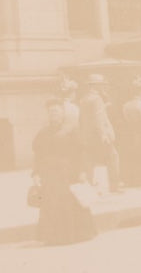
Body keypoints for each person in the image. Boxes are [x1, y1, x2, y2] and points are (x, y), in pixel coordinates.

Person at [31, 98, 97, 246]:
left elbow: (81, 152)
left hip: (69, 173)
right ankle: (53, 237)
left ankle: (76, 235)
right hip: (49, 175)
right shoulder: (44, 132)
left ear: (62, 112)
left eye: (56, 110)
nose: (53, 113)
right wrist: (35, 173)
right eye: (50, 111)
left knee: (71, 203)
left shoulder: (71, 129)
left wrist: (82, 171)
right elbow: (38, 154)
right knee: (52, 205)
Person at [78, 74, 122, 192]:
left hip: (88, 136)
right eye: (101, 84)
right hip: (100, 136)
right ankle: (115, 186)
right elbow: (98, 118)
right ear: (96, 85)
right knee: (113, 158)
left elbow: (84, 118)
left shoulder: (84, 99)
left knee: (89, 161)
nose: (103, 86)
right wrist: (104, 134)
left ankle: (89, 186)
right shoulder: (97, 99)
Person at [120, 78, 141, 186]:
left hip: (131, 132)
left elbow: (126, 119)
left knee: (133, 155)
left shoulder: (126, 105)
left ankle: (133, 178)